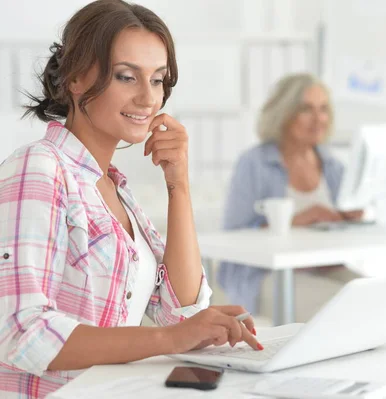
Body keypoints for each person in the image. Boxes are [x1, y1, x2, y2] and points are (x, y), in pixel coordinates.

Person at [0, 1, 261, 398]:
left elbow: (181, 311)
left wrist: (179, 185)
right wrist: (167, 339)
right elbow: (21, 332)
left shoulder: (114, 189)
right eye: (127, 77)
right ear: (75, 79)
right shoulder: (40, 169)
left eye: (157, 80)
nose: (147, 98)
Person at [217, 73, 362, 321]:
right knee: (344, 308)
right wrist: (297, 220)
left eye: (323, 109)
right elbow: (233, 234)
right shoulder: (254, 163)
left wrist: (349, 220)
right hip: (264, 275)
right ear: (284, 114)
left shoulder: (333, 166)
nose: (318, 119)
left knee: (374, 296)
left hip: (325, 268)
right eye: (307, 109)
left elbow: (338, 230)